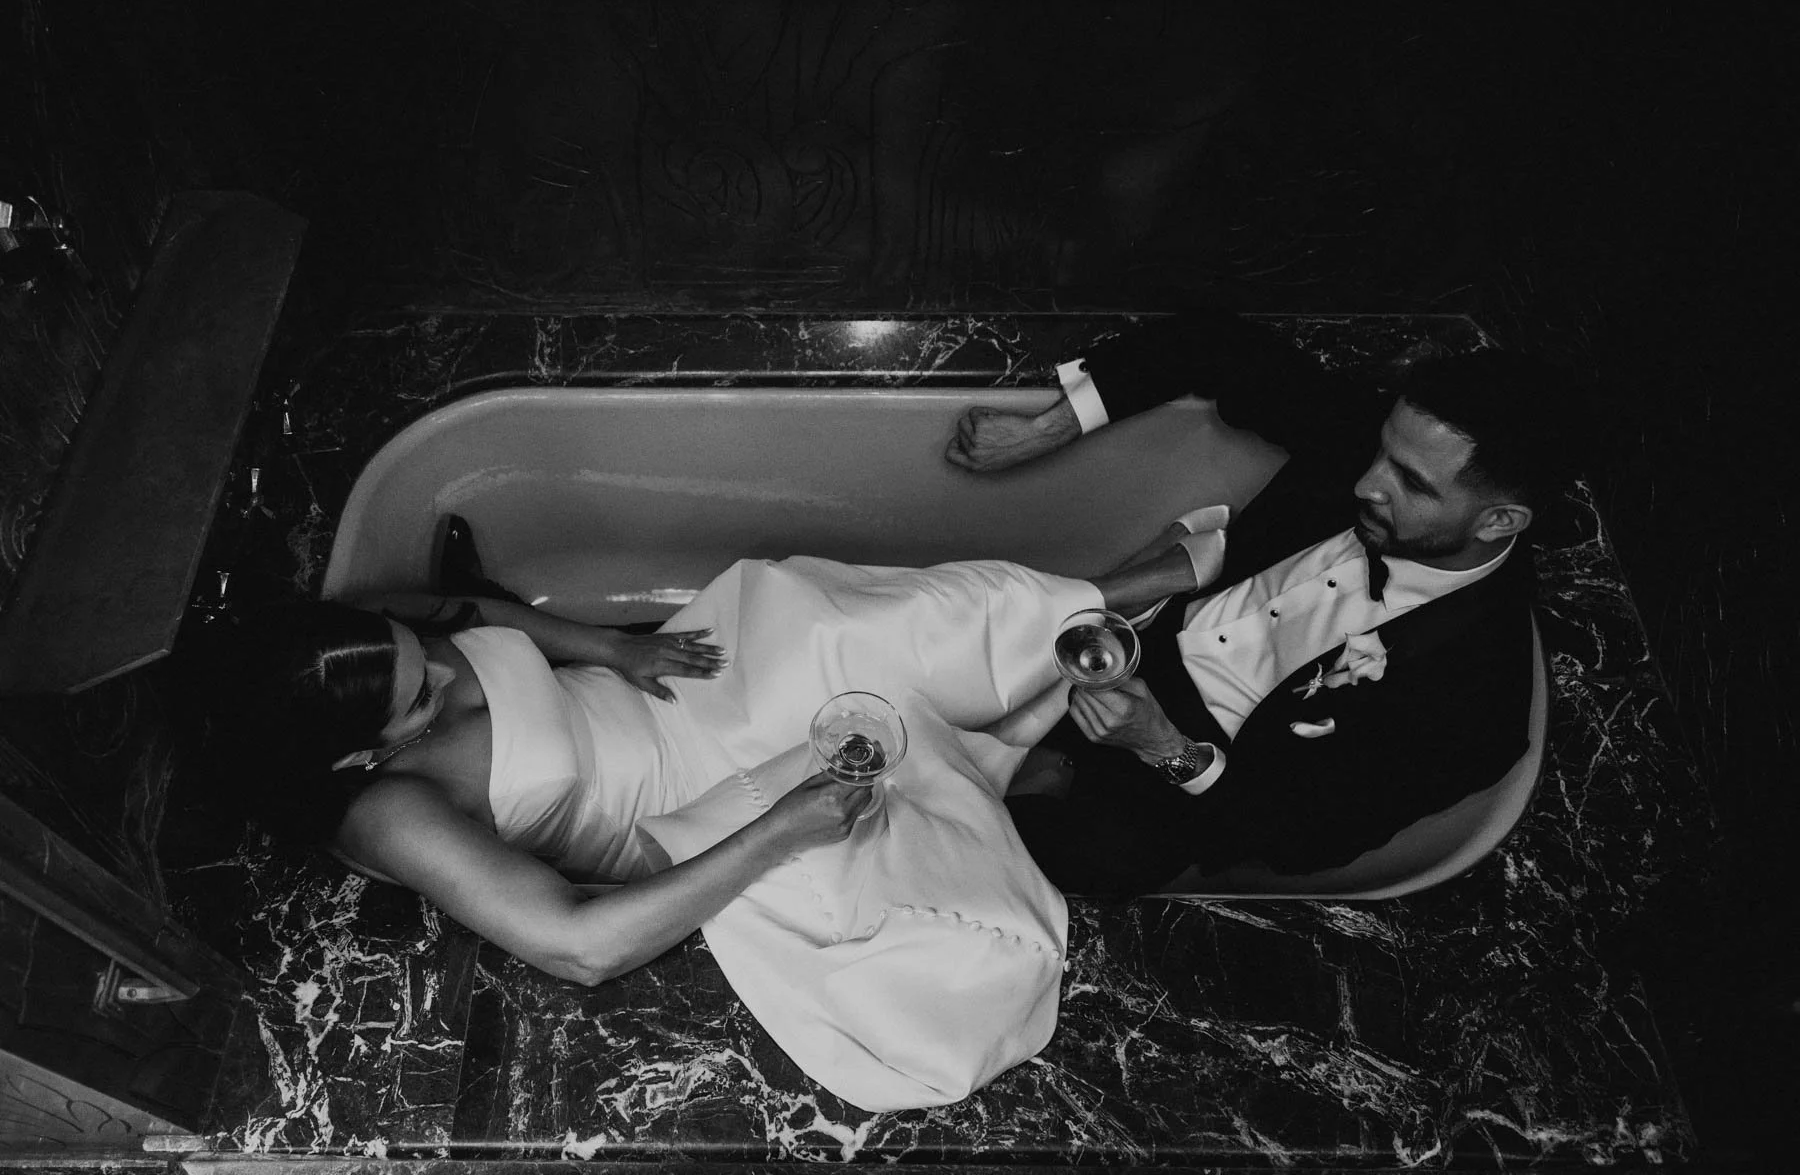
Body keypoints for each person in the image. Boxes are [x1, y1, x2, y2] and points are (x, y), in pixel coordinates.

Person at [204, 553, 1130, 1112]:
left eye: (422, 661)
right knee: (882, 792)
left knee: (850, 623)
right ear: (350, 761)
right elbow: (579, 948)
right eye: (418, 701)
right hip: (683, 816)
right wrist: (776, 831)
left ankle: (1114, 598)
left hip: (668, 700)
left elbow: (477, 616)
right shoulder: (389, 814)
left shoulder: (372, 652)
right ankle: (1004, 761)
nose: (444, 679)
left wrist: (612, 646)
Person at [944, 315, 1582, 894]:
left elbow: (1306, 838)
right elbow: (1212, 338)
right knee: (935, 661)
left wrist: (1161, 745)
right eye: (1382, 452)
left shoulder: (1478, 701)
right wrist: (1043, 431)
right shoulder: (1378, 441)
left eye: (1410, 483)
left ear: (1500, 519)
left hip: (1201, 769)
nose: (1366, 483)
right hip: (1143, 636)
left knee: (1045, 860)